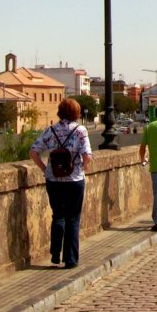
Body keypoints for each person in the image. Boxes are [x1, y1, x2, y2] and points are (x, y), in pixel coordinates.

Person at [30, 98, 92, 269]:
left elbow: (34, 152)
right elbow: (87, 156)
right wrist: (84, 167)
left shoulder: (50, 130)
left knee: (58, 215)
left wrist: (45, 169)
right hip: (75, 180)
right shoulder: (80, 131)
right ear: (76, 113)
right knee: (73, 218)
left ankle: (55, 254)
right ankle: (70, 259)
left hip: (54, 180)